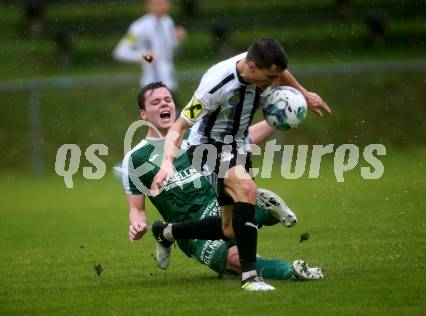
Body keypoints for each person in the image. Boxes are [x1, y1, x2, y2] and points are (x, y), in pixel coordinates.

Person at [151, 38, 331, 291]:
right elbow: (178, 128)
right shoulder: (215, 86)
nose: (273, 83)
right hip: (206, 146)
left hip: (238, 145)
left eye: (275, 77)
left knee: (229, 228)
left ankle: (166, 232)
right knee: (246, 189)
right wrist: (167, 163)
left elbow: (281, 72)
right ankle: (250, 278)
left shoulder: (262, 66)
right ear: (252, 67)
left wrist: (304, 93)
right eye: (269, 77)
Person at [121, 82, 324, 286]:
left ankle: (171, 232)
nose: (164, 104)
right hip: (191, 231)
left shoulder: (197, 134)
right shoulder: (136, 159)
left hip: (220, 206)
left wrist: (277, 119)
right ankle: (292, 271)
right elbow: (136, 208)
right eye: (155, 102)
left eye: (168, 100)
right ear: (143, 114)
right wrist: (137, 224)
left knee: (251, 207)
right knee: (237, 260)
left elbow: (245, 138)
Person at [113, 0, 186, 96]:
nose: (162, 6)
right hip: (151, 86)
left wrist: (178, 40)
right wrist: (145, 56)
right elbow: (120, 52)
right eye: (158, 3)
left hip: (170, 84)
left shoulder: (167, 22)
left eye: (165, 2)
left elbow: (169, 53)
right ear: (148, 5)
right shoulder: (139, 27)